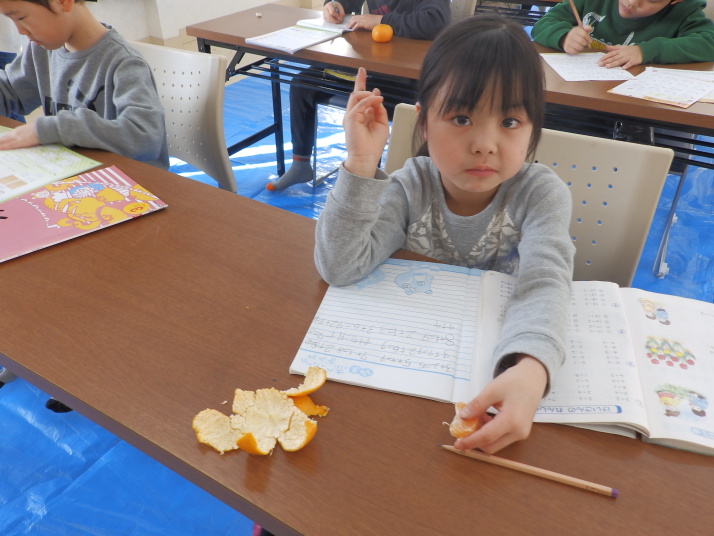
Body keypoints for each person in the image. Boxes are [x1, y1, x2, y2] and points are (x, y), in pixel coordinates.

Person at [315, 14, 575, 453]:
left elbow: (545, 283)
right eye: (461, 118)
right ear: (423, 123)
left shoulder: (539, 195)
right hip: (409, 378)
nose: (484, 143)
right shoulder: (409, 187)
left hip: (485, 380)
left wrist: (532, 367)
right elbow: (339, 266)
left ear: (534, 128)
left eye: (510, 122)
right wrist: (360, 164)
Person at [266, 0, 450, 191]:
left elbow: (435, 21)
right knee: (303, 84)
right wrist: (333, 5)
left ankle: (368, 178)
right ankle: (300, 164)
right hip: (371, 64)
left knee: (370, 102)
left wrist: (381, 20)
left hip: (405, 76)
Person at [0, 0, 169, 169]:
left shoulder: (125, 63)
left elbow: (145, 136)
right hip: (78, 171)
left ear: (61, 2)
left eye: (20, 18)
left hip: (132, 179)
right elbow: (9, 91)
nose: (20, 31)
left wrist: (53, 129)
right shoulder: (42, 49)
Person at [531, 0, 714, 69]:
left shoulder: (684, 11)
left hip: (639, 106)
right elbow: (544, 24)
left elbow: (709, 43)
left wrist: (645, 51)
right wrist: (563, 37)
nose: (632, 2)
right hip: (580, 91)